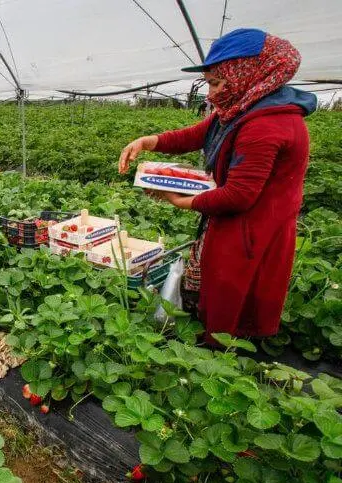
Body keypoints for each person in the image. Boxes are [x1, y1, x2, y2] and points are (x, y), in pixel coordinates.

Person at [117, 28, 316, 345]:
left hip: (253, 227)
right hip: (232, 220)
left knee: (233, 293)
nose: (210, 94)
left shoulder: (266, 124)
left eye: (215, 82)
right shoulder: (242, 108)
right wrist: (148, 142)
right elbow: (196, 134)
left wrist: (179, 200)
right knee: (214, 283)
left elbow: (238, 196)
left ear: (246, 74)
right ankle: (208, 336)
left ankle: (219, 356)